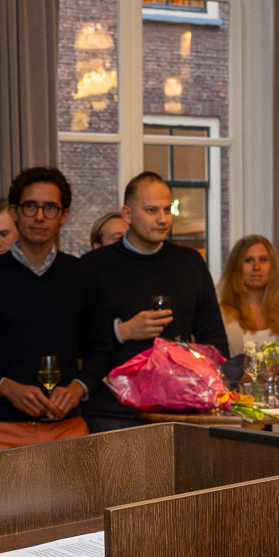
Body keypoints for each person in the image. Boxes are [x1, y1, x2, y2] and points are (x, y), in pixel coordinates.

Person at [0, 167, 113, 451]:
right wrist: (6, 387)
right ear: (14, 212)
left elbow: (102, 350)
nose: (40, 216)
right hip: (1, 431)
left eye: (50, 208)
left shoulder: (84, 275)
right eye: (30, 206)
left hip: (67, 429)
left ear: (64, 216)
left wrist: (77, 388)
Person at [81, 171, 229, 432]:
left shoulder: (190, 263)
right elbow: (75, 340)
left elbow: (213, 338)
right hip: (112, 410)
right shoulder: (94, 266)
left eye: (167, 209)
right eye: (151, 210)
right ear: (127, 214)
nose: (162, 219)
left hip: (179, 409)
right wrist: (121, 331)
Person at [217, 234, 279, 360]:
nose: (256, 267)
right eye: (248, 260)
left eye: (263, 260)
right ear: (236, 267)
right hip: (235, 380)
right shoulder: (219, 310)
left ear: (272, 266)